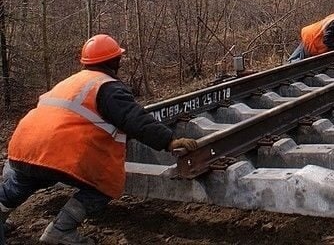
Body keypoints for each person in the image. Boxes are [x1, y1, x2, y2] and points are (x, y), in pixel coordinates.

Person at [0, 34, 198, 245]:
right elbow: (134, 119)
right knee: (105, 183)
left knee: (22, 183)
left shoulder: (70, 82)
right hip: (57, 153)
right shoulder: (107, 86)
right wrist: (168, 141)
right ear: (115, 62)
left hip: (23, 146)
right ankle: (60, 231)